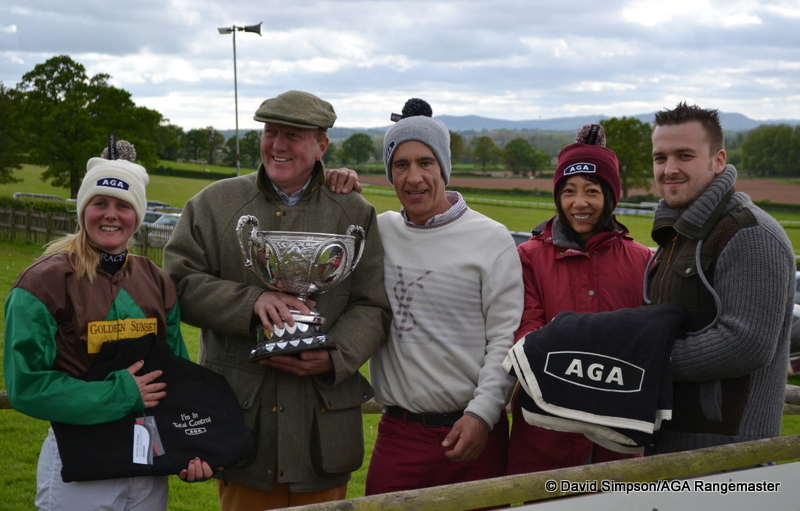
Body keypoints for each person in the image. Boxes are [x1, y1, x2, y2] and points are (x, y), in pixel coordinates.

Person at [163, 90, 391, 510]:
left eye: (294, 135)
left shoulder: (354, 212)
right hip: (243, 425)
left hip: (320, 434)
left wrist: (336, 357)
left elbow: (372, 305)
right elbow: (177, 285)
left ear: (322, 145)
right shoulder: (214, 205)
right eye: (271, 131)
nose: (278, 144)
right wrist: (250, 301)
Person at [3, 141, 213, 511]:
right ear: (84, 209)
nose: (110, 215)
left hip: (149, 463)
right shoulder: (42, 283)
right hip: (81, 464)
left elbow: (177, 374)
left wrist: (190, 446)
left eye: (123, 205)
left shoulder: (156, 280)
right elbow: (26, 385)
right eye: (99, 203)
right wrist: (121, 394)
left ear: (139, 214)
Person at [365, 98, 524, 494]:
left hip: (473, 433)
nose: (413, 177)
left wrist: (483, 416)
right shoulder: (377, 232)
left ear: (444, 168)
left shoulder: (492, 239)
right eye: (400, 165)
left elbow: (504, 341)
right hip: (398, 435)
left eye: (425, 163)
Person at [645, 102, 796, 454]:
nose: (669, 169)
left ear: (718, 161)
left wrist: (644, 359)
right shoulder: (679, 233)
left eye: (684, 155)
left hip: (727, 450)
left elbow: (745, 344)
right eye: (659, 157)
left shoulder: (749, 233)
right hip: (670, 442)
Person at [506, 124, 654, 474]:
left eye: (592, 190)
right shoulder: (528, 257)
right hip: (544, 438)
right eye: (569, 191)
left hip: (618, 441)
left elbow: (648, 343)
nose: (579, 202)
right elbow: (527, 332)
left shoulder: (643, 261)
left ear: (610, 196)